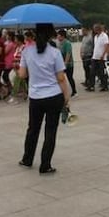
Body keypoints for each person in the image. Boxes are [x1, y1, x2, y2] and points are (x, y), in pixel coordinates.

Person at [18, 23, 71, 175]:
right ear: (50, 35)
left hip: (35, 97)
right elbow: (61, 78)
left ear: (34, 35)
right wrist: (66, 97)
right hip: (53, 96)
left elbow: (22, 75)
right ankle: (45, 165)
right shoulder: (55, 52)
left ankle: (27, 159)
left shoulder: (26, 51)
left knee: (33, 129)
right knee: (50, 131)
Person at [57, 29, 77, 96]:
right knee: (60, 78)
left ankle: (74, 91)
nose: (58, 37)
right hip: (61, 64)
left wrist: (65, 63)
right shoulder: (59, 43)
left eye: (59, 36)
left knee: (70, 77)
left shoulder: (67, 43)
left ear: (63, 36)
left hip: (68, 64)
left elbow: (68, 54)